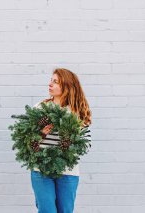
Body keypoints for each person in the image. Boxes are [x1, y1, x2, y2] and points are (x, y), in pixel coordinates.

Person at [31, 68, 92, 213]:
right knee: (47, 210)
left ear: (67, 86)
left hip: (68, 171)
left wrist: (69, 140)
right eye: (51, 80)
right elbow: (28, 142)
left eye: (56, 82)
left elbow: (85, 145)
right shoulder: (40, 109)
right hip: (41, 170)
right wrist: (41, 133)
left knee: (65, 210)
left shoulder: (77, 113)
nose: (50, 84)